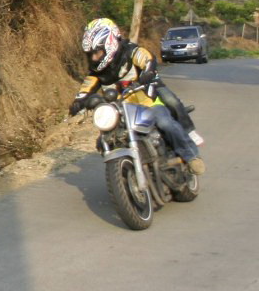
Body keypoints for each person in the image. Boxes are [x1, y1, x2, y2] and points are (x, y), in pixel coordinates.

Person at [69, 18, 205, 175]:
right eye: (90, 54)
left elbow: (146, 58)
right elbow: (86, 87)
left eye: (96, 52)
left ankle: (191, 156)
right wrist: (79, 101)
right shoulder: (97, 73)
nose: (93, 58)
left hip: (147, 102)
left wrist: (148, 71)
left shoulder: (130, 51)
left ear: (109, 44)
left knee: (166, 123)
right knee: (103, 141)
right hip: (120, 112)